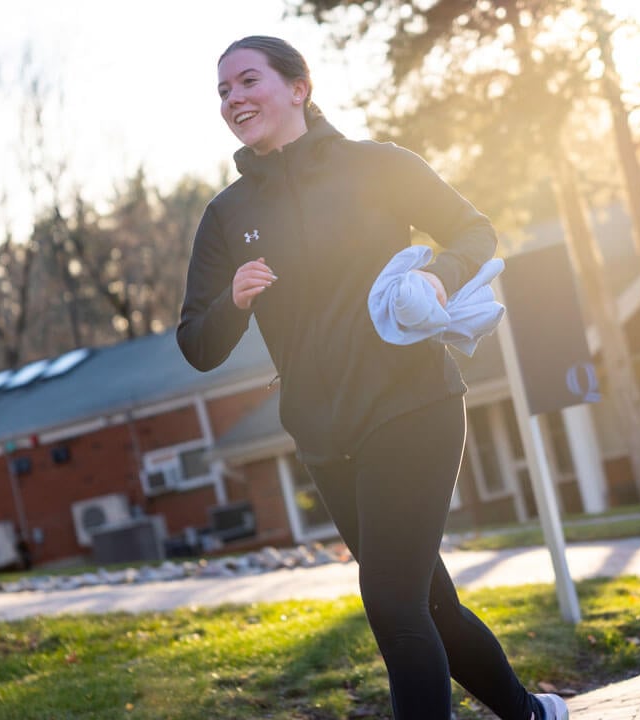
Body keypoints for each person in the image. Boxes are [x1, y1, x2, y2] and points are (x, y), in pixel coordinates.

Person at [177, 35, 569, 720]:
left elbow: (474, 231)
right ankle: (531, 714)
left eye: (247, 81)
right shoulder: (228, 215)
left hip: (413, 404)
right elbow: (196, 344)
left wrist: (439, 274)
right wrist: (233, 302)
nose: (233, 99)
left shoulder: (378, 165)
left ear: (298, 87)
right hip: (324, 436)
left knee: (391, 603)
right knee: (429, 607)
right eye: (223, 91)